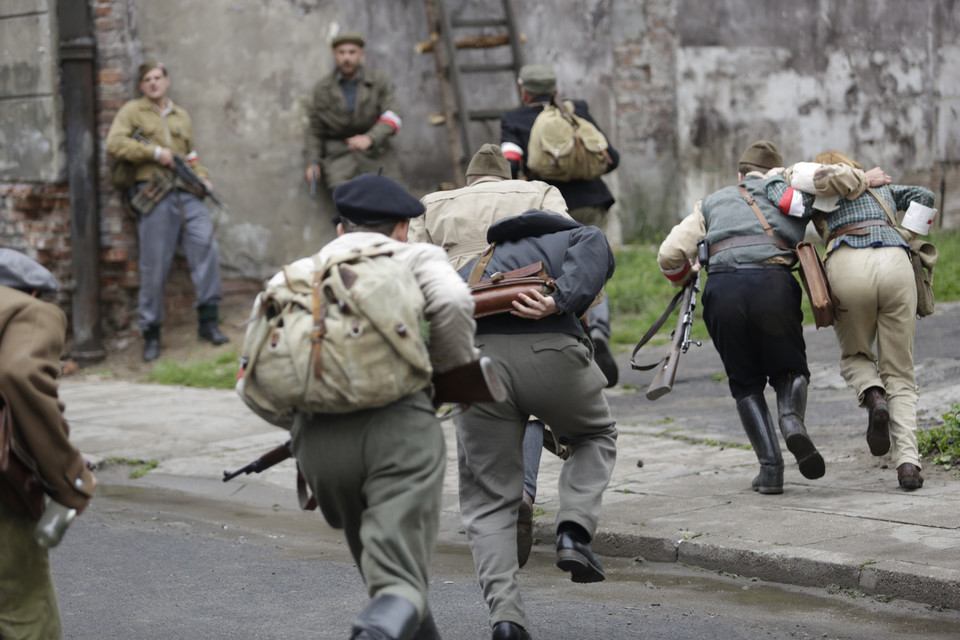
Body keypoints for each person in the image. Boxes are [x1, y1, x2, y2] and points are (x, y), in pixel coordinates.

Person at [273, 174, 477, 640]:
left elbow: (261, 368)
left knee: (386, 572)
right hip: (398, 430)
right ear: (403, 227)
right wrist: (445, 376)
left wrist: (300, 421)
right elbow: (451, 301)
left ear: (341, 230)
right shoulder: (413, 255)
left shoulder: (305, 269)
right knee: (400, 578)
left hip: (319, 443)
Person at [657, 141, 873, 494]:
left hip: (723, 290)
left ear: (739, 175)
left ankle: (770, 470)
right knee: (790, 369)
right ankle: (791, 422)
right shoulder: (787, 193)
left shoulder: (711, 202)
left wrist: (686, 275)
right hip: (773, 286)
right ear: (774, 171)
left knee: (744, 382)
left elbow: (668, 254)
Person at [454, 209, 617, 640]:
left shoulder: (478, 262)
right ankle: (572, 532)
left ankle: (506, 619)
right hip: (553, 356)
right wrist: (559, 300)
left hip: (478, 367)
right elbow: (593, 257)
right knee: (594, 435)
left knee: (487, 498)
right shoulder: (578, 235)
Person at [414, 144, 573, 568]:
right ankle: (523, 492)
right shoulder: (538, 192)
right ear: (507, 176)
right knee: (532, 407)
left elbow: (412, 265)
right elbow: (571, 244)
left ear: (469, 181)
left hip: (462, 311)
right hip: (526, 302)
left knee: (471, 397)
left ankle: (490, 506)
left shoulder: (433, 204)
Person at [777, 151, 936, 490]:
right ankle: (908, 464)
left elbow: (789, 208)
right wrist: (905, 236)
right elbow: (926, 196)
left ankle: (873, 395)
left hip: (847, 259)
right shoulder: (881, 188)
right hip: (895, 260)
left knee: (856, 356)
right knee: (902, 373)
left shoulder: (818, 193)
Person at [500, 64, 620, 387]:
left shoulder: (514, 120)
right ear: (555, 91)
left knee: (555, 267)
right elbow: (612, 156)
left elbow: (508, 165)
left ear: (523, 90)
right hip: (592, 201)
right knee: (592, 264)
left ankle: (570, 338)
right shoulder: (575, 110)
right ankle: (599, 330)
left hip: (549, 205)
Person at [0, 250, 97, 640]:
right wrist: (70, 480)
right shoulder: (30, 311)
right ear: (34, 291)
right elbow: (20, 374)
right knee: (27, 617)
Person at [105, 61, 230, 362]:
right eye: (147, 79)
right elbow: (115, 143)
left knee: (205, 247)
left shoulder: (181, 115)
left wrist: (202, 176)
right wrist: (154, 153)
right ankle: (151, 334)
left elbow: (190, 155)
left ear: (167, 80)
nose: (153, 83)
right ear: (141, 86)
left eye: (157, 78)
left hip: (185, 192)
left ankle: (209, 322)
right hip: (153, 192)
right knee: (154, 263)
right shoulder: (133, 112)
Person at [304, 31, 403, 194]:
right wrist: (313, 162)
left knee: (390, 200)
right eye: (341, 53)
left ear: (361, 54)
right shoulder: (322, 89)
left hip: (376, 154)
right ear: (334, 55)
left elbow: (393, 115)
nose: (346, 58)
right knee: (347, 205)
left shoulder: (378, 81)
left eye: (352, 52)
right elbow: (315, 130)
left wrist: (370, 138)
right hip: (339, 157)